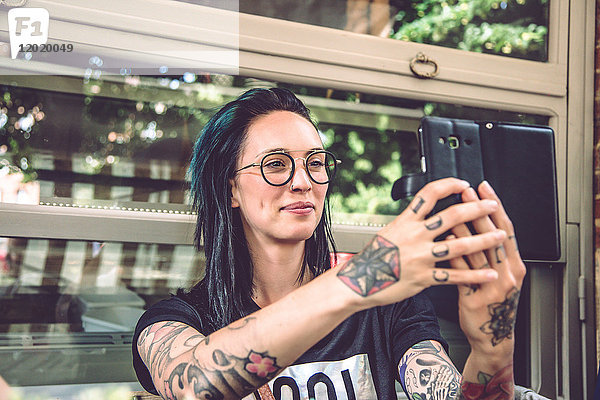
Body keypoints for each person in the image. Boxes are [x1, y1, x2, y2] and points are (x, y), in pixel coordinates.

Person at [132, 87, 530, 400]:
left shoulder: (386, 304)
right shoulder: (177, 320)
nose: (303, 181)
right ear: (230, 188)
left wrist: (492, 346)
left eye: (315, 162)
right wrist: (356, 280)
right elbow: (191, 387)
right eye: (275, 164)